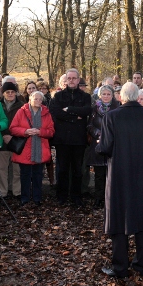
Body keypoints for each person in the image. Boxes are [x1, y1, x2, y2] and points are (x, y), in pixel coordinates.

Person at [96, 83, 143, 278]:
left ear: (121, 97)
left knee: (118, 216)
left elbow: (105, 147)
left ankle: (120, 267)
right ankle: (141, 265)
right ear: (137, 96)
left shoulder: (112, 116)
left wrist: (99, 145)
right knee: (142, 216)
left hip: (119, 175)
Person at [48, 68, 92, 206]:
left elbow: (86, 110)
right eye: (69, 78)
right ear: (66, 80)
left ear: (78, 80)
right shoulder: (58, 97)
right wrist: (75, 118)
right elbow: (56, 113)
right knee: (62, 169)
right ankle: (61, 196)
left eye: (74, 78)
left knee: (77, 170)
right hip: (62, 139)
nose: (71, 80)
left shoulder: (85, 97)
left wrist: (69, 110)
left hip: (79, 139)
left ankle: (76, 196)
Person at [10, 91, 55, 206]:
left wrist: (41, 132)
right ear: (30, 99)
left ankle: (37, 198)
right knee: (25, 175)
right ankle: (24, 197)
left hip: (40, 148)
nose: (38, 101)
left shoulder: (46, 113)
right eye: (36, 98)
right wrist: (25, 131)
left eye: (41, 99)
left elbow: (51, 131)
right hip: (25, 148)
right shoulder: (21, 112)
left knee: (38, 175)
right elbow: (13, 128)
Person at [87, 85, 120, 208]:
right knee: (99, 175)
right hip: (97, 144)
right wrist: (98, 133)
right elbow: (89, 125)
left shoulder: (118, 108)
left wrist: (108, 135)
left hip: (112, 145)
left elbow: (120, 126)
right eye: (104, 94)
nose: (106, 96)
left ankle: (111, 199)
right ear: (100, 95)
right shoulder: (94, 109)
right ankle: (98, 199)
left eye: (108, 94)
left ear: (112, 95)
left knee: (112, 175)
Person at [0, 82, 23, 199]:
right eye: (8, 92)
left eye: (12, 92)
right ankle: (2, 191)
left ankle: (16, 191)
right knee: (2, 168)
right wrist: (4, 135)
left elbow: (24, 124)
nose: (10, 94)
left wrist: (12, 136)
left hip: (17, 141)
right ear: (3, 93)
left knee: (16, 169)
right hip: (2, 140)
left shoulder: (22, 106)